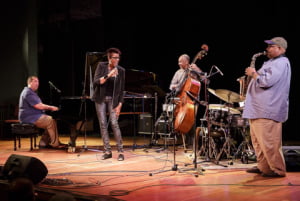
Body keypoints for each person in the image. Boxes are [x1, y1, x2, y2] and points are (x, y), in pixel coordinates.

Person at [242, 37, 291, 177]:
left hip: (268, 109)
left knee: (269, 143)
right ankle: (264, 167)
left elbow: (266, 81)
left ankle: (277, 169)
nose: (267, 49)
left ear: (280, 49)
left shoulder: (281, 62)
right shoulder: (271, 62)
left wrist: (253, 73)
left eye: (271, 46)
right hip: (258, 109)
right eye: (268, 46)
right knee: (258, 143)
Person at [92, 47, 125, 161]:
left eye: (118, 58)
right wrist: (109, 75)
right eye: (114, 58)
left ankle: (120, 151)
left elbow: (121, 90)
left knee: (114, 124)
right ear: (109, 58)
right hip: (100, 99)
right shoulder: (101, 66)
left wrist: (120, 105)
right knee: (102, 124)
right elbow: (96, 82)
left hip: (113, 100)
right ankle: (107, 151)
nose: (117, 60)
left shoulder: (121, 70)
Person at [18, 76, 67, 149]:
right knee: (50, 120)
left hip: (33, 116)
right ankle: (56, 144)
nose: (37, 83)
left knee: (51, 120)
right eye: (35, 81)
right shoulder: (28, 92)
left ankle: (43, 143)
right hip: (29, 118)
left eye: (38, 81)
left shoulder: (31, 92)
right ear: (30, 82)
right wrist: (51, 107)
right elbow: (38, 106)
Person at [169, 54, 203, 150]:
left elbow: (206, 80)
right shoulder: (178, 72)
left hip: (192, 101)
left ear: (187, 62)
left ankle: (192, 143)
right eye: (179, 61)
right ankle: (184, 142)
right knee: (180, 120)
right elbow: (171, 85)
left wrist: (198, 70)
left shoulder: (193, 71)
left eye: (181, 61)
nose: (179, 63)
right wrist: (174, 86)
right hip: (181, 99)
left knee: (191, 121)